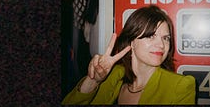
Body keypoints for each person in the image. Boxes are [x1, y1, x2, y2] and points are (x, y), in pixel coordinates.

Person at [63, 8, 194, 104]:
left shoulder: (180, 86)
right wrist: (93, 80)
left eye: (166, 38)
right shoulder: (112, 75)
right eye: (150, 36)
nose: (161, 45)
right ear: (132, 42)